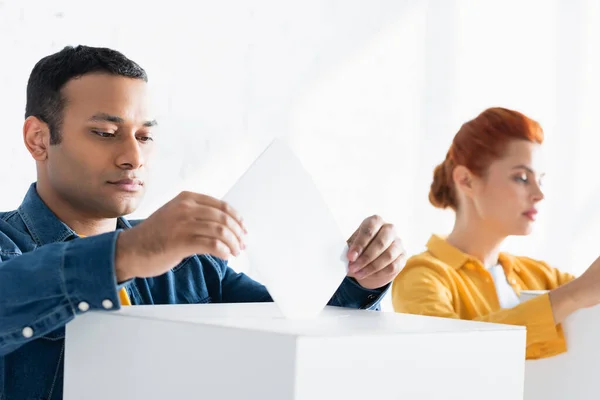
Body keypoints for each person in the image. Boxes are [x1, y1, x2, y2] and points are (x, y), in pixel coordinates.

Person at [0, 45, 406, 400]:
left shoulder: (192, 263)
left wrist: (361, 278)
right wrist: (128, 254)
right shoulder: (9, 246)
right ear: (38, 139)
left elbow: (292, 328)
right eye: (106, 132)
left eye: (144, 136)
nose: (133, 158)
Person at [392, 107, 600, 360]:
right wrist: (574, 295)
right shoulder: (422, 277)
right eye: (522, 178)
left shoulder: (541, 277)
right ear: (467, 181)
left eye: (541, 180)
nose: (539, 194)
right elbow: (446, 357)